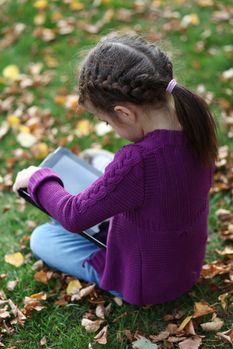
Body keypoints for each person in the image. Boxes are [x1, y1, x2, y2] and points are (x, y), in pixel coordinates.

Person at [13, 33, 218, 305]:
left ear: (124, 113)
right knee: (100, 160)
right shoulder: (194, 119)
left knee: (43, 238)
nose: (110, 128)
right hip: (182, 264)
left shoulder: (138, 161)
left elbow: (74, 216)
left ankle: (106, 268)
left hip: (146, 283)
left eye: (107, 122)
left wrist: (36, 178)